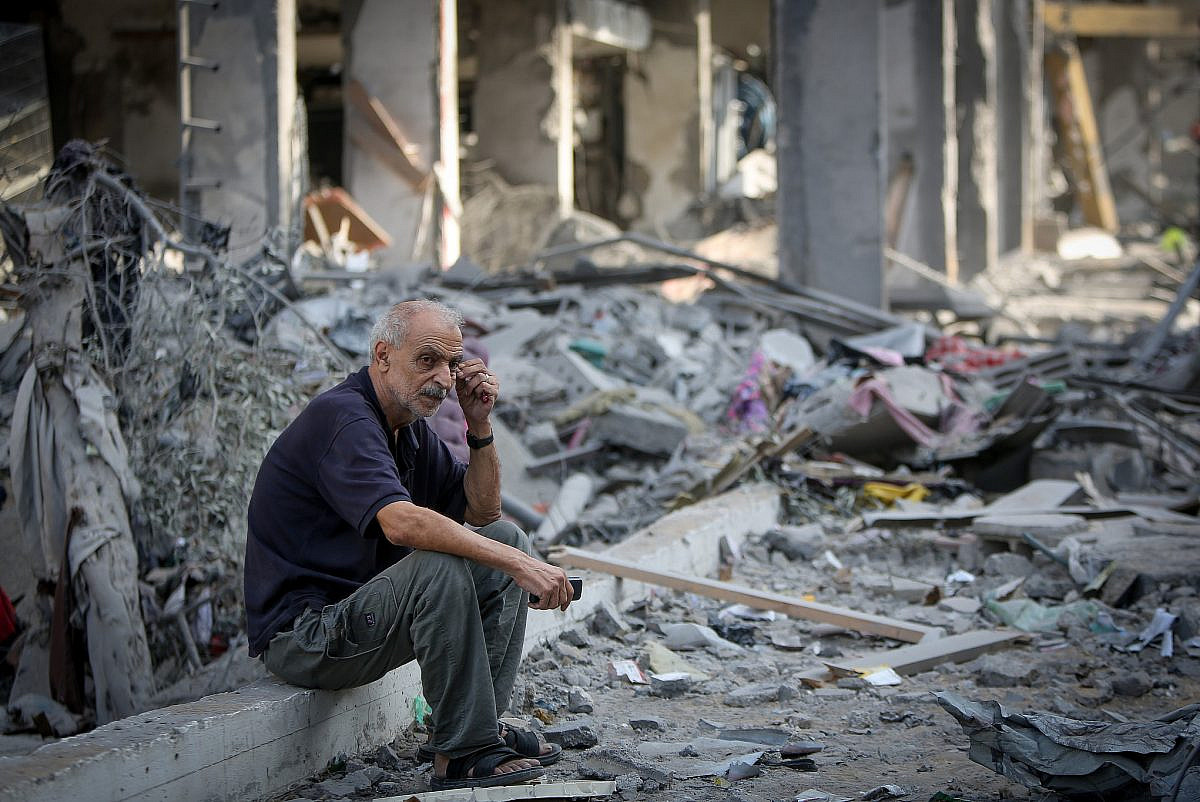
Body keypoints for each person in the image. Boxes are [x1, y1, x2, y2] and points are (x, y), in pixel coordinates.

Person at [243, 299, 575, 791]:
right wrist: (521, 566)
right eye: (427, 360)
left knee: (506, 538)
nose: (443, 378)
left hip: (360, 619)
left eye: (451, 363)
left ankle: (481, 725)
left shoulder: (411, 432)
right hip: (306, 637)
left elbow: (483, 515)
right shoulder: (346, 419)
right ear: (382, 355)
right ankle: (462, 751)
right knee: (443, 566)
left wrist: (479, 427)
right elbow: (401, 524)